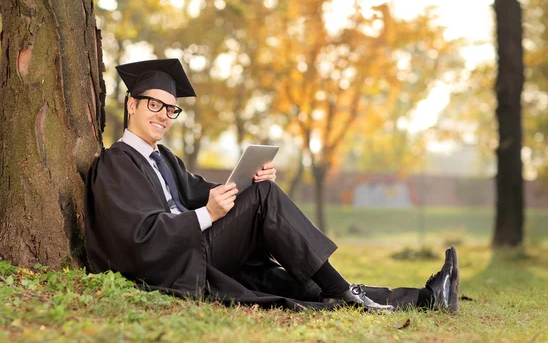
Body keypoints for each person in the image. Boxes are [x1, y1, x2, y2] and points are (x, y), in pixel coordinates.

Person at [84, 58, 460, 313]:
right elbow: (138, 236)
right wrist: (206, 215)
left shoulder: (163, 158)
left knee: (295, 282)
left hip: (197, 251)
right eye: (154, 105)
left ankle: (426, 298)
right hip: (172, 263)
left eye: (171, 109)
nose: (164, 116)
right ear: (131, 104)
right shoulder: (117, 163)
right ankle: (340, 290)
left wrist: (247, 182)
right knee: (265, 201)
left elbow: (203, 189)